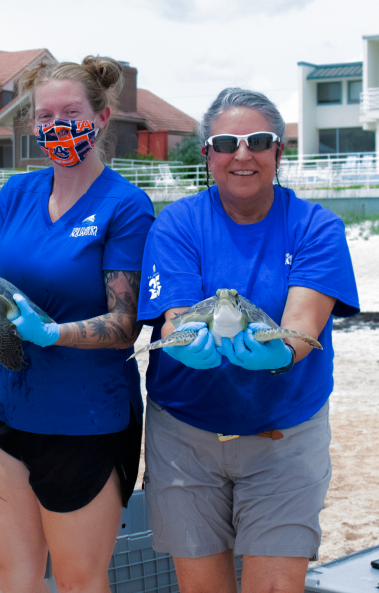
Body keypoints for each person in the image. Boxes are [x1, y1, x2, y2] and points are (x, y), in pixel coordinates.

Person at [0, 57, 155, 591]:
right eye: (45, 114)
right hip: (12, 411)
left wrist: (52, 332)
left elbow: (126, 325)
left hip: (89, 420)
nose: (57, 125)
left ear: (101, 118)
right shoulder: (15, 196)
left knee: (80, 580)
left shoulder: (126, 206)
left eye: (70, 112)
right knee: (12, 576)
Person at [136, 88, 360, 593]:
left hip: (285, 434)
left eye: (259, 141)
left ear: (279, 152)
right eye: (226, 142)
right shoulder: (177, 222)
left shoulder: (316, 227)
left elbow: (303, 328)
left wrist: (279, 353)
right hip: (184, 435)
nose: (242, 153)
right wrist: (182, 341)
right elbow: (175, 318)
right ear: (207, 155)